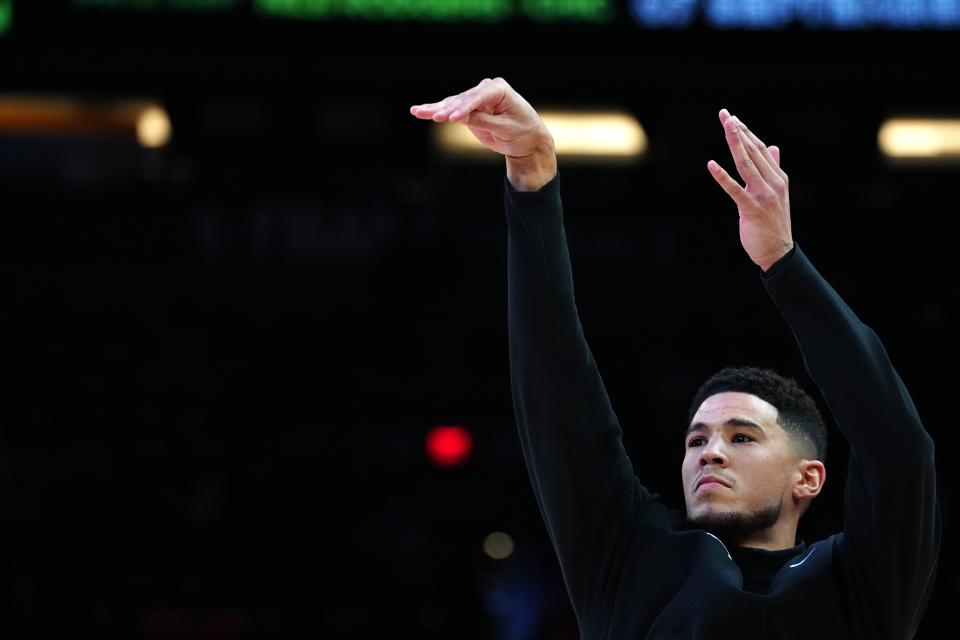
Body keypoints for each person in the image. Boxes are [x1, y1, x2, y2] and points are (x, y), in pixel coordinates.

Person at [410, 78, 940, 638]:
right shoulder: (630, 557)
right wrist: (533, 180)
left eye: (741, 437)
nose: (709, 453)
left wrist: (783, 263)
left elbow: (897, 447)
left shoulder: (861, 583)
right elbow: (555, 395)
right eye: (696, 440)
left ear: (807, 478)